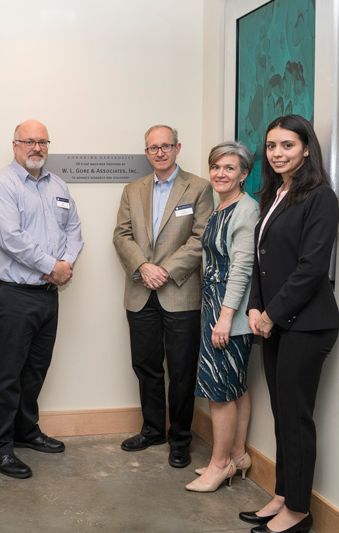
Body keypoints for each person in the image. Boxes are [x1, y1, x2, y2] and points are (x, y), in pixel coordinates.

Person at [239, 115, 339, 533]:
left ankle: (299, 511)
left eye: (287, 145)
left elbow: (311, 268)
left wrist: (271, 314)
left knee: (296, 419)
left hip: (307, 324)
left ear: (306, 149)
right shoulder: (275, 194)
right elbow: (263, 263)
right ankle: (283, 494)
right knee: (282, 417)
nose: (277, 153)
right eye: (272, 146)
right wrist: (255, 309)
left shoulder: (320, 197)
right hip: (275, 322)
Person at [0, 119, 84, 479]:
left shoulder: (58, 185)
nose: (36, 148)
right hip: (11, 295)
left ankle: (25, 432)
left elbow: (74, 229)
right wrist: (52, 265)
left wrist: (65, 263)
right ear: (15, 145)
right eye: (29, 141)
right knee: (7, 374)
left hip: (47, 295)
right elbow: (11, 239)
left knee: (35, 370)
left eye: (42, 142)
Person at [113, 124, 213, 468]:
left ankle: (180, 439)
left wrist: (165, 270)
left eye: (166, 146)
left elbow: (200, 239)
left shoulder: (199, 187)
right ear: (146, 152)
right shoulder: (132, 189)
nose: (159, 152)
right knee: (146, 366)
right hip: (141, 292)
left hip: (181, 293)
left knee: (182, 370)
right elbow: (121, 236)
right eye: (153, 147)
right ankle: (153, 428)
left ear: (177, 148)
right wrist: (143, 266)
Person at [185, 141, 259, 493]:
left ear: (244, 174)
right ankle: (237, 455)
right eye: (216, 167)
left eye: (230, 168)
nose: (220, 173)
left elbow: (243, 269)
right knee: (235, 385)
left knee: (219, 390)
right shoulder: (221, 207)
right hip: (216, 305)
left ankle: (220, 465)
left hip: (230, 310)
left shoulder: (247, 210)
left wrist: (226, 317)